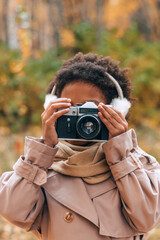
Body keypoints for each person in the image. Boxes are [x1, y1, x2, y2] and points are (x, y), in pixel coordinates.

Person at [0, 52, 160, 240]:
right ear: (52, 108)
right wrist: (44, 148)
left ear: (117, 111)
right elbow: (13, 212)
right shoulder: (41, 168)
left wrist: (121, 151)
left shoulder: (138, 166)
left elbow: (147, 219)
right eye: (71, 109)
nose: (82, 120)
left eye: (91, 109)